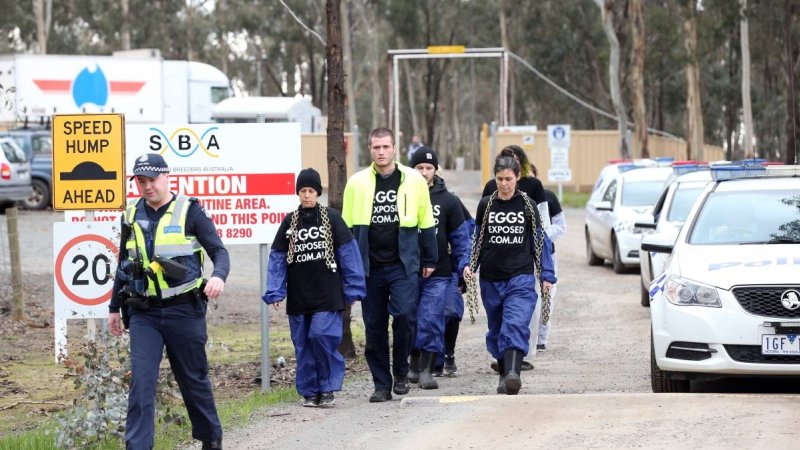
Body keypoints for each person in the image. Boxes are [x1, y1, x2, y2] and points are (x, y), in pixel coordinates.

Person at [108, 152, 229, 450]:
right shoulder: (131, 213)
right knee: (141, 383)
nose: (147, 186)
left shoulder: (190, 211)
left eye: (152, 180)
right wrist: (113, 307)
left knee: (193, 380)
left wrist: (218, 277)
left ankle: (210, 437)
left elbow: (219, 252)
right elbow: (125, 261)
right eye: (141, 181)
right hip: (143, 312)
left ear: (167, 177)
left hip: (184, 310)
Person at [341, 127, 437, 402]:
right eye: (376, 147)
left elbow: (426, 220)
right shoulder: (357, 183)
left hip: (402, 263)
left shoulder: (413, 180)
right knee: (374, 325)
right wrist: (350, 266)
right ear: (370, 150)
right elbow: (347, 229)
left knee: (406, 316)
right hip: (369, 266)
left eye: (385, 147)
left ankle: (402, 372)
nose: (381, 152)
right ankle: (381, 384)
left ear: (394, 148)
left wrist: (429, 258)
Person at [263, 168, 366, 407]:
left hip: (327, 293)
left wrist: (353, 288)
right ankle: (310, 391)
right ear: (298, 193)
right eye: (303, 191)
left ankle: (327, 386)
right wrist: (276, 291)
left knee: (321, 336)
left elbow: (348, 254)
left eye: (311, 191)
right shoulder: (289, 221)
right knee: (303, 344)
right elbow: (277, 258)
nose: (307, 195)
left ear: (318, 192)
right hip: (300, 295)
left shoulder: (332, 218)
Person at [464, 155, 556, 395]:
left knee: (515, 323)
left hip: (521, 276)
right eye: (500, 179)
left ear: (517, 179)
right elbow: (478, 238)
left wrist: (546, 274)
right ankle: (504, 375)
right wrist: (469, 265)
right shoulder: (486, 205)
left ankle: (514, 374)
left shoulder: (528, 205)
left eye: (509, 179)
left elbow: (540, 241)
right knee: (497, 329)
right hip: (491, 279)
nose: (504, 184)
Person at [406, 147, 471, 389]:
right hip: (408, 271)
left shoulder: (449, 201)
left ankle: (427, 369)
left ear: (435, 170)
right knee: (409, 317)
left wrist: (463, 266)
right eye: (419, 168)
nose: (424, 173)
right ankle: (413, 362)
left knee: (432, 318)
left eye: (428, 168)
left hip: (440, 272)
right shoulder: (402, 197)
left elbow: (461, 238)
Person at [529, 163, 566, 353]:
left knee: (546, 296)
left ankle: (542, 337)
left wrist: (543, 235)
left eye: (531, 176)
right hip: (525, 256)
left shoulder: (549, 197)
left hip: (547, 254)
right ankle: (528, 338)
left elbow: (561, 226)